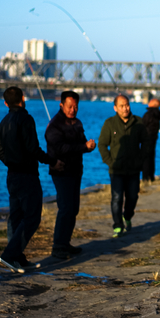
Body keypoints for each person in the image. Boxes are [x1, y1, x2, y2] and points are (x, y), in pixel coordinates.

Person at [0, 86, 62, 273]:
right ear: (23, 98)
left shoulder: (3, 121)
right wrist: (52, 161)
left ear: (5, 103)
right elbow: (34, 149)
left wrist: (11, 161)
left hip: (12, 175)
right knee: (32, 217)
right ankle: (9, 255)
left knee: (16, 217)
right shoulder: (26, 119)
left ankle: (17, 258)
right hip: (27, 175)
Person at [43, 90, 96, 267]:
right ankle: (58, 246)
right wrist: (83, 146)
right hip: (61, 171)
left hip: (76, 170)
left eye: (75, 106)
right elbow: (60, 148)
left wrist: (89, 146)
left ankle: (66, 243)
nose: (73, 109)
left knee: (73, 208)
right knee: (65, 208)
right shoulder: (55, 125)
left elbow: (80, 143)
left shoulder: (77, 123)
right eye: (69, 106)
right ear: (61, 105)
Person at [99, 94, 148, 237]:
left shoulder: (138, 122)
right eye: (121, 106)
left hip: (133, 169)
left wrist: (141, 159)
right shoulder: (110, 123)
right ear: (115, 108)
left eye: (127, 105)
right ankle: (118, 226)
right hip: (116, 169)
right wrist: (110, 162)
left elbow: (146, 142)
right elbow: (102, 145)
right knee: (116, 197)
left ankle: (127, 217)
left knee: (133, 197)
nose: (125, 108)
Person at [141, 98, 160, 183]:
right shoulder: (158, 114)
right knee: (151, 157)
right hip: (154, 138)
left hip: (146, 138)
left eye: (150, 101)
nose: (148, 102)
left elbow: (143, 125)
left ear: (153, 104)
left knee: (145, 158)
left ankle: (145, 178)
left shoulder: (148, 114)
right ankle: (151, 177)